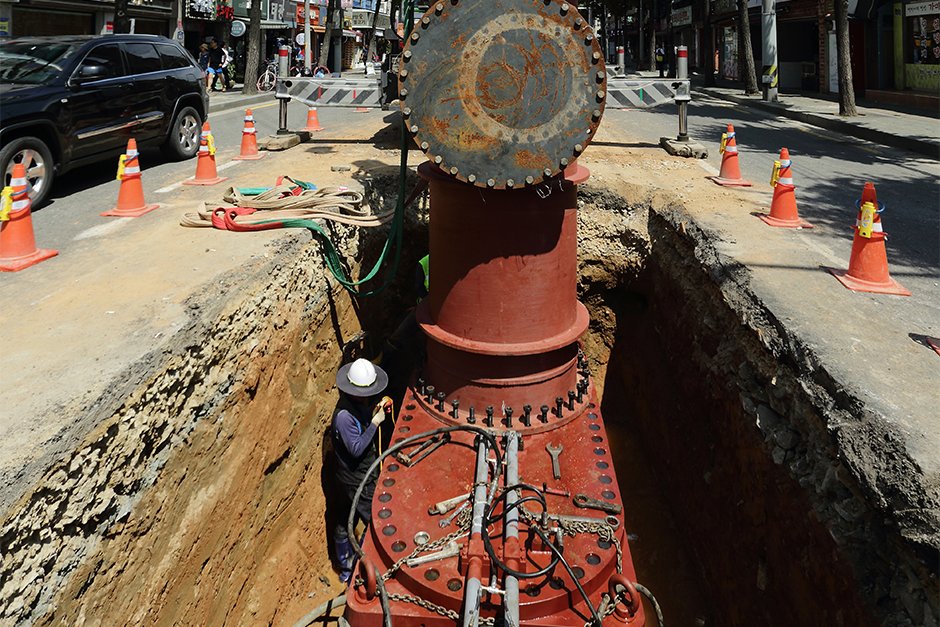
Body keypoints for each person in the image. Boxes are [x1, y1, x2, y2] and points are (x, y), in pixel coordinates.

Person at [331, 358, 392, 583]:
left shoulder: (354, 405)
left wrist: (373, 412)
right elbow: (356, 449)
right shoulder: (344, 417)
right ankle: (357, 571)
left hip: (350, 477)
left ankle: (347, 569)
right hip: (357, 481)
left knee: (345, 519)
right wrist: (375, 423)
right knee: (374, 521)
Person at [375, 254, 428, 369]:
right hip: (423, 309)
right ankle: (381, 364)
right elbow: (419, 288)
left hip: (442, 313)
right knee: (399, 334)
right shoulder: (424, 263)